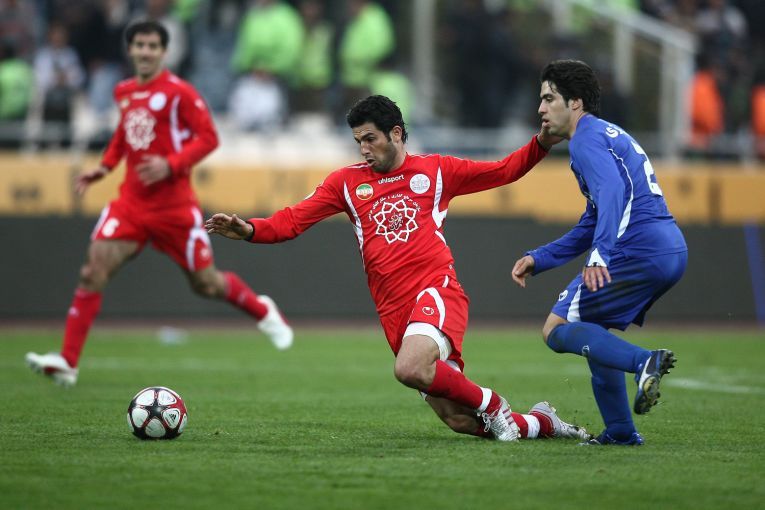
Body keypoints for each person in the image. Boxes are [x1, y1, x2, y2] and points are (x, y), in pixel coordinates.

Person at [205, 94, 590, 442]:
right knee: (458, 419)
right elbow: (292, 220)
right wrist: (251, 229)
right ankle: (543, 422)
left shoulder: (437, 171)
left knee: (410, 368)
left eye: (370, 138)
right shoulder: (346, 183)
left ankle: (493, 404)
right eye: (358, 141)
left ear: (396, 133)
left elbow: (504, 170)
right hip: (394, 311)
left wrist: (541, 143)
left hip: (436, 290)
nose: (364, 148)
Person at [25, 20, 293, 387]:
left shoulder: (180, 92)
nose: (146, 52)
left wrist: (171, 164)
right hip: (131, 204)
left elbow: (209, 137)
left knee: (206, 284)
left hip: (174, 208)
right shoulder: (124, 91)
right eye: (140, 45)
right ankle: (67, 362)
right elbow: (124, 135)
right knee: (92, 272)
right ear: (130, 49)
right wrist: (104, 167)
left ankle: (261, 309)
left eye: (153, 46)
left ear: (164, 52)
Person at [511, 60, 688, 446]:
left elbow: (612, 193)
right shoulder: (606, 134)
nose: (541, 109)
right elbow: (592, 220)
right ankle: (621, 431)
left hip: (636, 248)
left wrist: (600, 255)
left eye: (549, 99)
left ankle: (643, 362)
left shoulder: (586, 140)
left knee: (556, 329)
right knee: (592, 325)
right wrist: (541, 258)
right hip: (669, 249)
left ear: (575, 102)